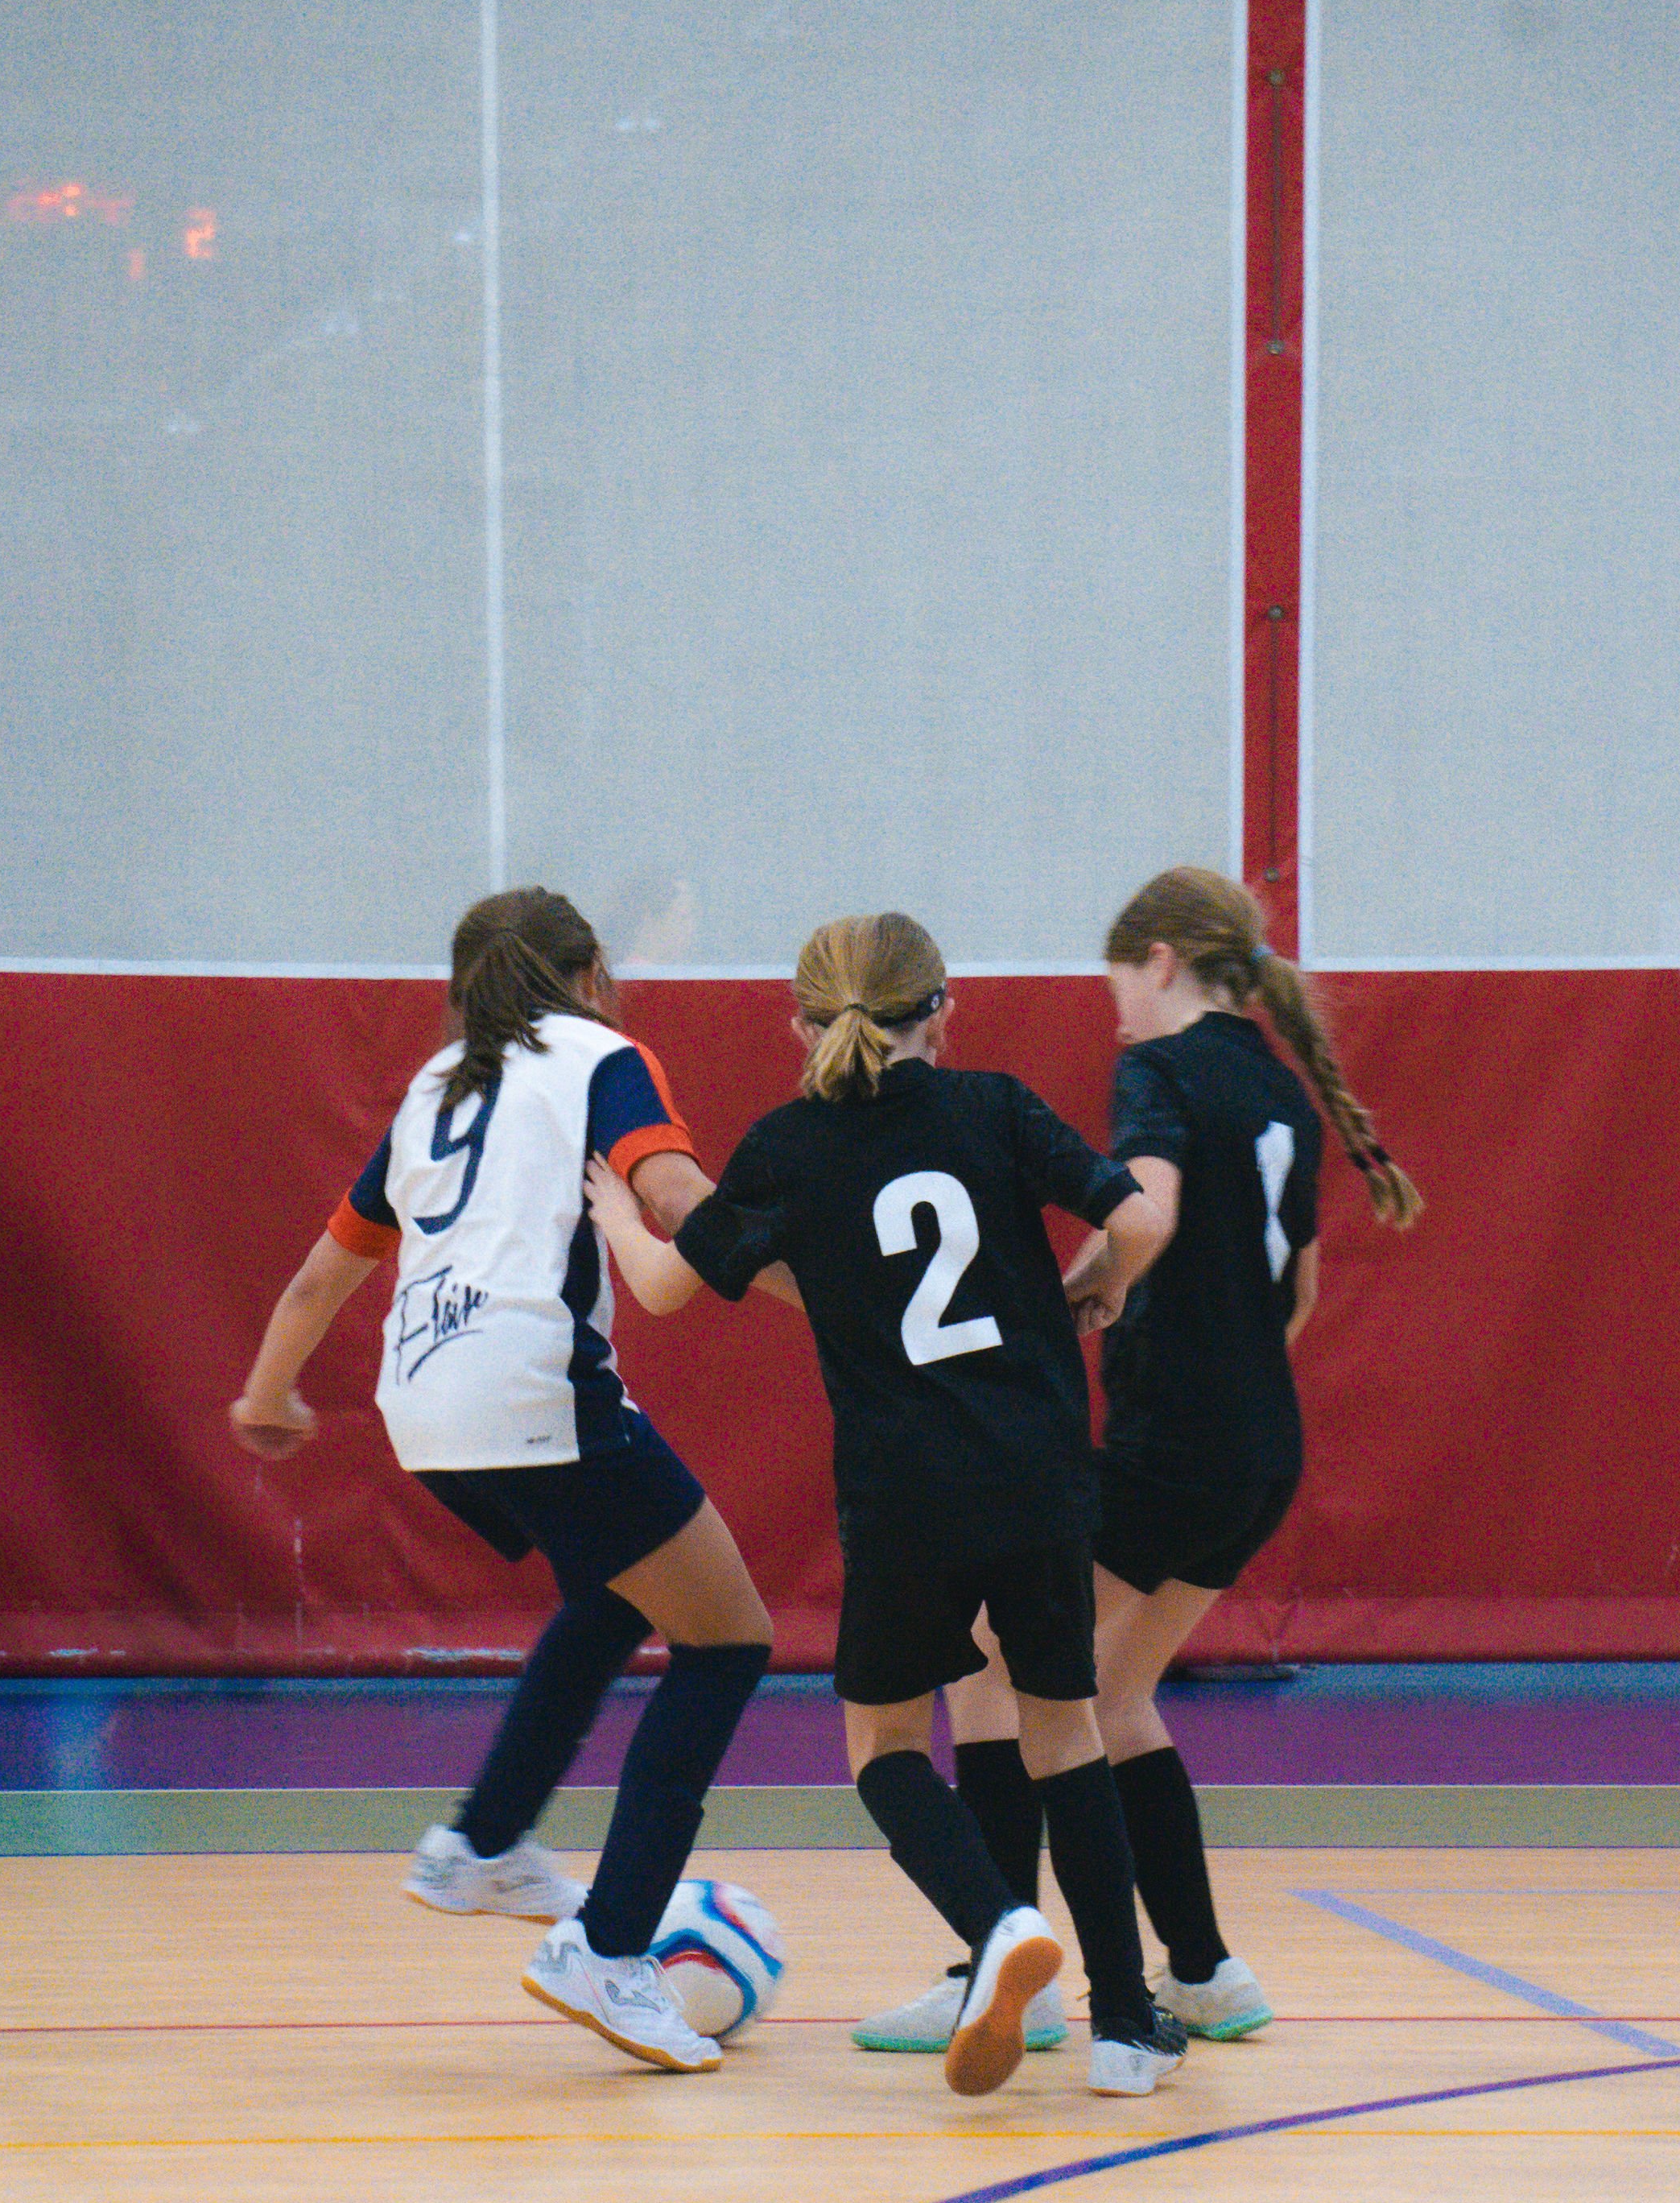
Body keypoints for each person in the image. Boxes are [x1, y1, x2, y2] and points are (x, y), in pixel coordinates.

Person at [586, 911, 1186, 2099]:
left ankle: (998, 1926)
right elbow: (1142, 1218)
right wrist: (1094, 1282)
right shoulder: (999, 1106)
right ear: (943, 1011)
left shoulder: (788, 1147)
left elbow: (661, 1289)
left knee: (884, 1747)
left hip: (905, 1493)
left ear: (801, 1023)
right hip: (1037, 1472)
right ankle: (1124, 2027)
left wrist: (615, 1209)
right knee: (1064, 1730)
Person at [856, 866, 1421, 2052]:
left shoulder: (1158, 1069)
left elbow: (1144, 1209)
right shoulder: (1278, 1087)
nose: (1113, 1008)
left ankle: (1003, 1972)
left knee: (987, 1666)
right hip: (1264, 1451)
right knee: (1114, 1697)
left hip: (1176, 1451)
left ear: (1158, 959)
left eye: (1117, 979)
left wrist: (1081, 1292)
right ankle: (1206, 1971)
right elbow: (1299, 1290)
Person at [229, 886, 776, 2078]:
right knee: (729, 1641)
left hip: (424, 1411)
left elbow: (326, 1275)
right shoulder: (603, 1057)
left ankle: (479, 1844)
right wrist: (818, 1280)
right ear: (586, 975)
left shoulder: (435, 1089)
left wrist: (267, 1395)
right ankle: (611, 1951)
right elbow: (678, 1199)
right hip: (537, 1391)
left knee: (617, 1593)